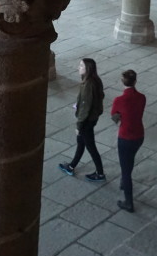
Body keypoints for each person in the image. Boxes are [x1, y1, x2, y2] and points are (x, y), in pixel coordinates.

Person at [59, 57, 106, 182]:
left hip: (86, 121)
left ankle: (100, 174)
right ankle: (71, 166)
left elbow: (85, 108)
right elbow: (100, 96)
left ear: (88, 69)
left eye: (81, 66)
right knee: (81, 143)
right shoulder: (96, 80)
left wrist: (79, 126)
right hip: (92, 118)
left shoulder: (88, 85)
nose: (78, 68)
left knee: (90, 146)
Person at [111, 69, 146, 212]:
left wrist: (120, 117)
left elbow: (114, 117)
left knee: (125, 170)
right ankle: (124, 183)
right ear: (135, 81)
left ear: (122, 82)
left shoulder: (119, 100)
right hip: (139, 135)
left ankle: (129, 202)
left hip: (125, 137)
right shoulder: (142, 97)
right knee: (129, 160)